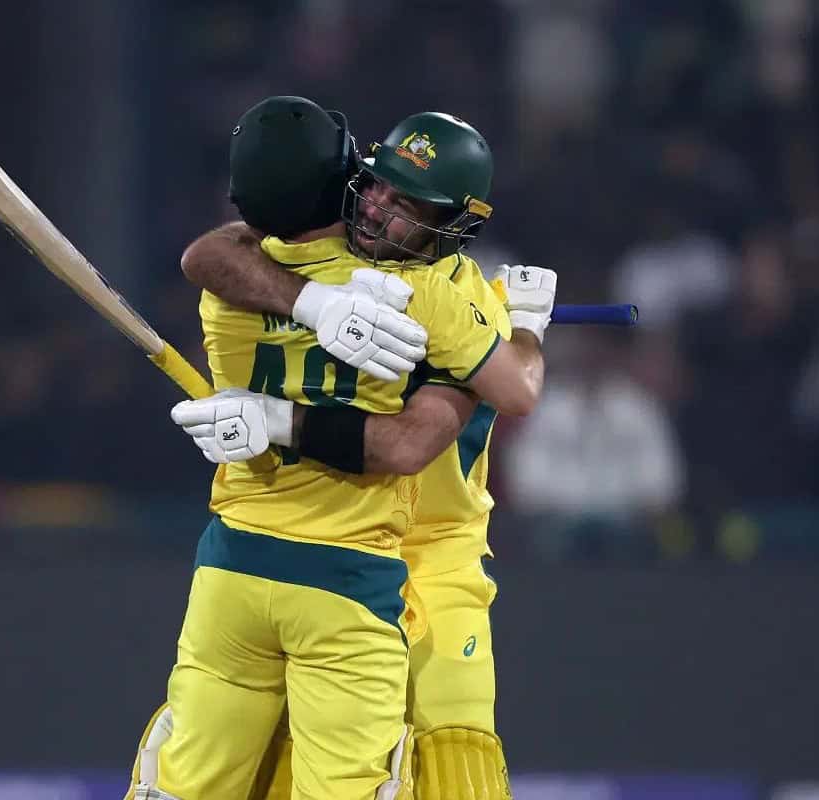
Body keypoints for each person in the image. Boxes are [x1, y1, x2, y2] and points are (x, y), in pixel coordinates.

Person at [128, 97, 553, 800]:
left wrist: (274, 415)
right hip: (354, 561)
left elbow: (480, 411)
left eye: (410, 204)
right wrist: (315, 305)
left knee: (456, 767)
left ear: (455, 227)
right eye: (378, 182)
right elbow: (208, 253)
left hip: (434, 554)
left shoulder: (451, 294)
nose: (380, 209)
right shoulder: (298, 258)